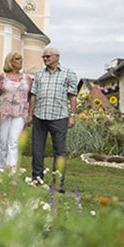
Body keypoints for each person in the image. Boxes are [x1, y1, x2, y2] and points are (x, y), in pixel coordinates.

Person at [26, 47, 77, 192]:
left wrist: (72, 116)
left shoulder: (68, 73)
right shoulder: (39, 74)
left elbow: (72, 96)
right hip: (39, 117)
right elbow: (33, 95)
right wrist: (30, 114)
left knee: (60, 152)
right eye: (43, 57)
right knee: (37, 150)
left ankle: (58, 183)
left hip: (59, 117)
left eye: (48, 57)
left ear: (56, 57)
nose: (45, 59)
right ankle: (37, 179)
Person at [0, 52, 32, 169]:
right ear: (10, 61)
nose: (20, 61)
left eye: (21, 59)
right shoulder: (1, 77)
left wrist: (30, 114)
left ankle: (11, 171)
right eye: (17, 59)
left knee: (13, 142)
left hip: (20, 114)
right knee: (3, 143)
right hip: (3, 114)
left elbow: (32, 97)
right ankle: (2, 169)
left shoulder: (27, 79)